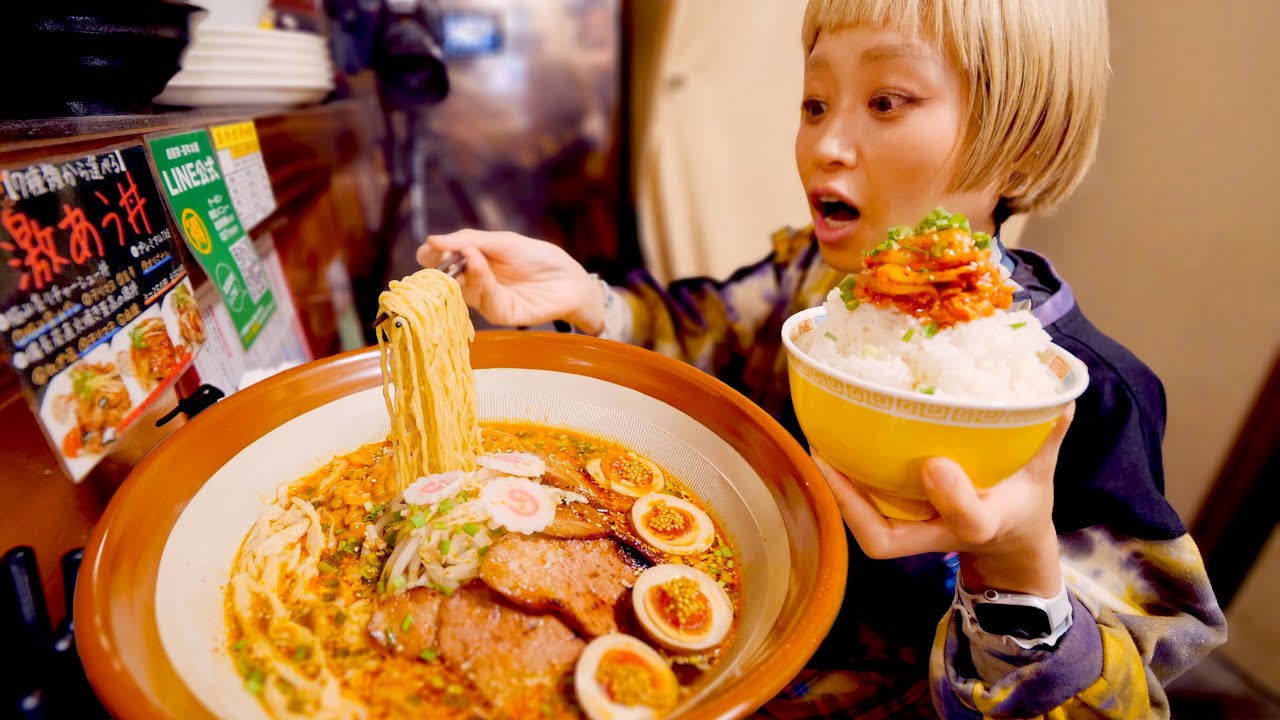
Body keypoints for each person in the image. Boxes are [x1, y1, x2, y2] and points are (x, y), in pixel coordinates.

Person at [416, 1, 1227, 716]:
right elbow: (705, 334)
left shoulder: (1087, 395)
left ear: (1020, 143)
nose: (825, 145)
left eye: (886, 101)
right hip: (731, 648)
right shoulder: (813, 279)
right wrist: (586, 297)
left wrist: (1014, 565)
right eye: (814, 101)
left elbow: (1129, 699)